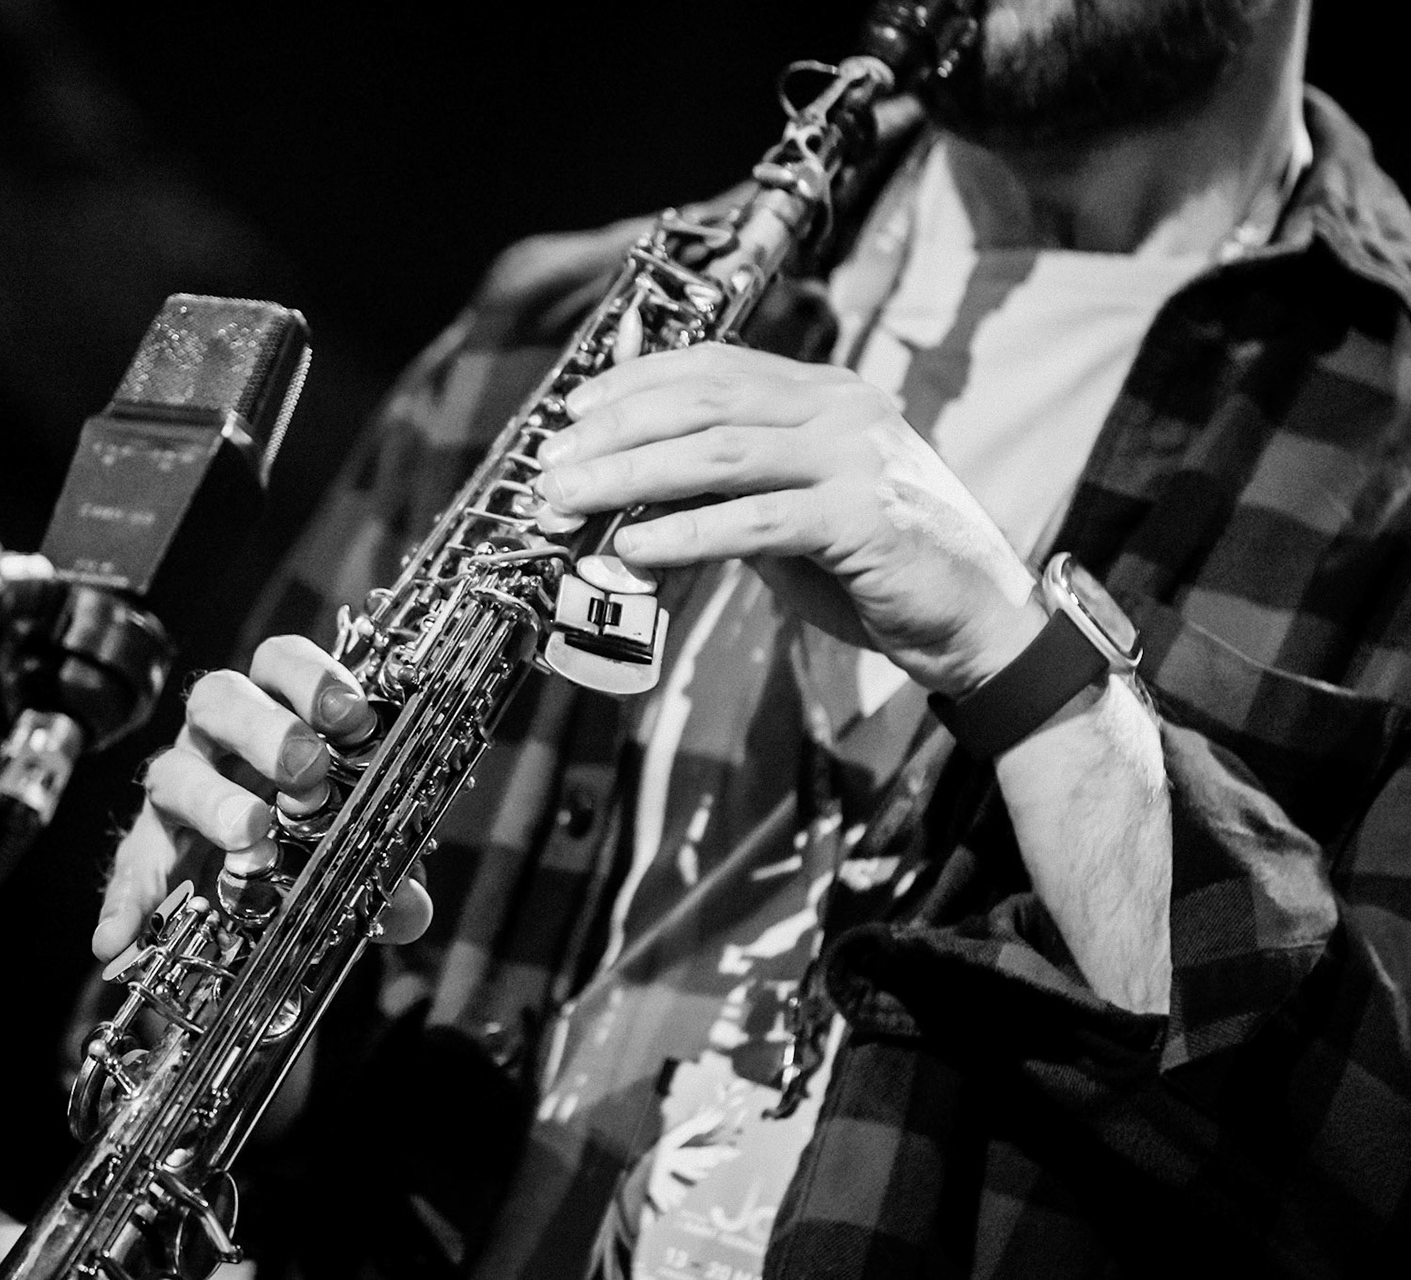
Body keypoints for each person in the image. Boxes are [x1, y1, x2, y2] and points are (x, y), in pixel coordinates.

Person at [91, 1, 1411, 1275]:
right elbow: (146, 1046)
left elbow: (1370, 1176)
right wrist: (241, 1012)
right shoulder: (546, 328)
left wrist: (1029, 673)